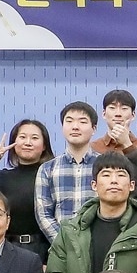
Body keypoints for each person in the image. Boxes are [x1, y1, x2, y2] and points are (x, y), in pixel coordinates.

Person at [34, 102, 102, 244]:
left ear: (94, 129)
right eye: (69, 121)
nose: (75, 126)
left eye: (82, 121)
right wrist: (64, 243)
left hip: (98, 244)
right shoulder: (47, 169)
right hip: (61, 247)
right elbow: (43, 214)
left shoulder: (105, 166)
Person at [0, 119, 55, 263]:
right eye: (22, 137)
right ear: (13, 142)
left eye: (34, 138)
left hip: (44, 250)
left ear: (44, 146)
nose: (28, 142)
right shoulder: (0, 177)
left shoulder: (52, 176)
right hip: (8, 249)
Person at [90, 89, 137, 155]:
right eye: (112, 108)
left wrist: (127, 144)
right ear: (104, 114)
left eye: (124, 108)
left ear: (133, 115)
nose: (118, 114)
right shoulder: (93, 148)